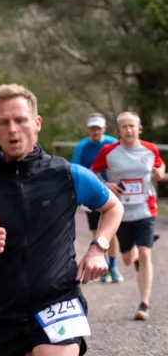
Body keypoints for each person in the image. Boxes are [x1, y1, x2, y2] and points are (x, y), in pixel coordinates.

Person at [0, 84, 124, 356]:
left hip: (58, 300)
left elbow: (113, 207)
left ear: (37, 123)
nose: (13, 129)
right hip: (3, 312)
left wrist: (98, 247)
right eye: (4, 122)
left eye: (20, 120)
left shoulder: (67, 175)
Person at [90, 111, 165, 321]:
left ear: (139, 129)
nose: (129, 130)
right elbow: (92, 173)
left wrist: (159, 171)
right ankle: (135, 248)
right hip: (120, 213)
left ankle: (144, 304)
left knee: (144, 253)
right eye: (124, 127)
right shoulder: (109, 151)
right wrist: (107, 185)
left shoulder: (149, 149)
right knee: (128, 258)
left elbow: (159, 164)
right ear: (119, 131)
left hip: (145, 210)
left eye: (132, 126)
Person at [71, 113, 123, 283]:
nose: (96, 131)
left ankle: (113, 266)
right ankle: (104, 266)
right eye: (93, 128)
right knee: (96, 232)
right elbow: (77, 170)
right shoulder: (82, 147)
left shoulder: (112, 143)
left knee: (110, 232)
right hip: (91, 194)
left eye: (98, 128)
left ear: (104, 128)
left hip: (110, 194)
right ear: (88, 129)